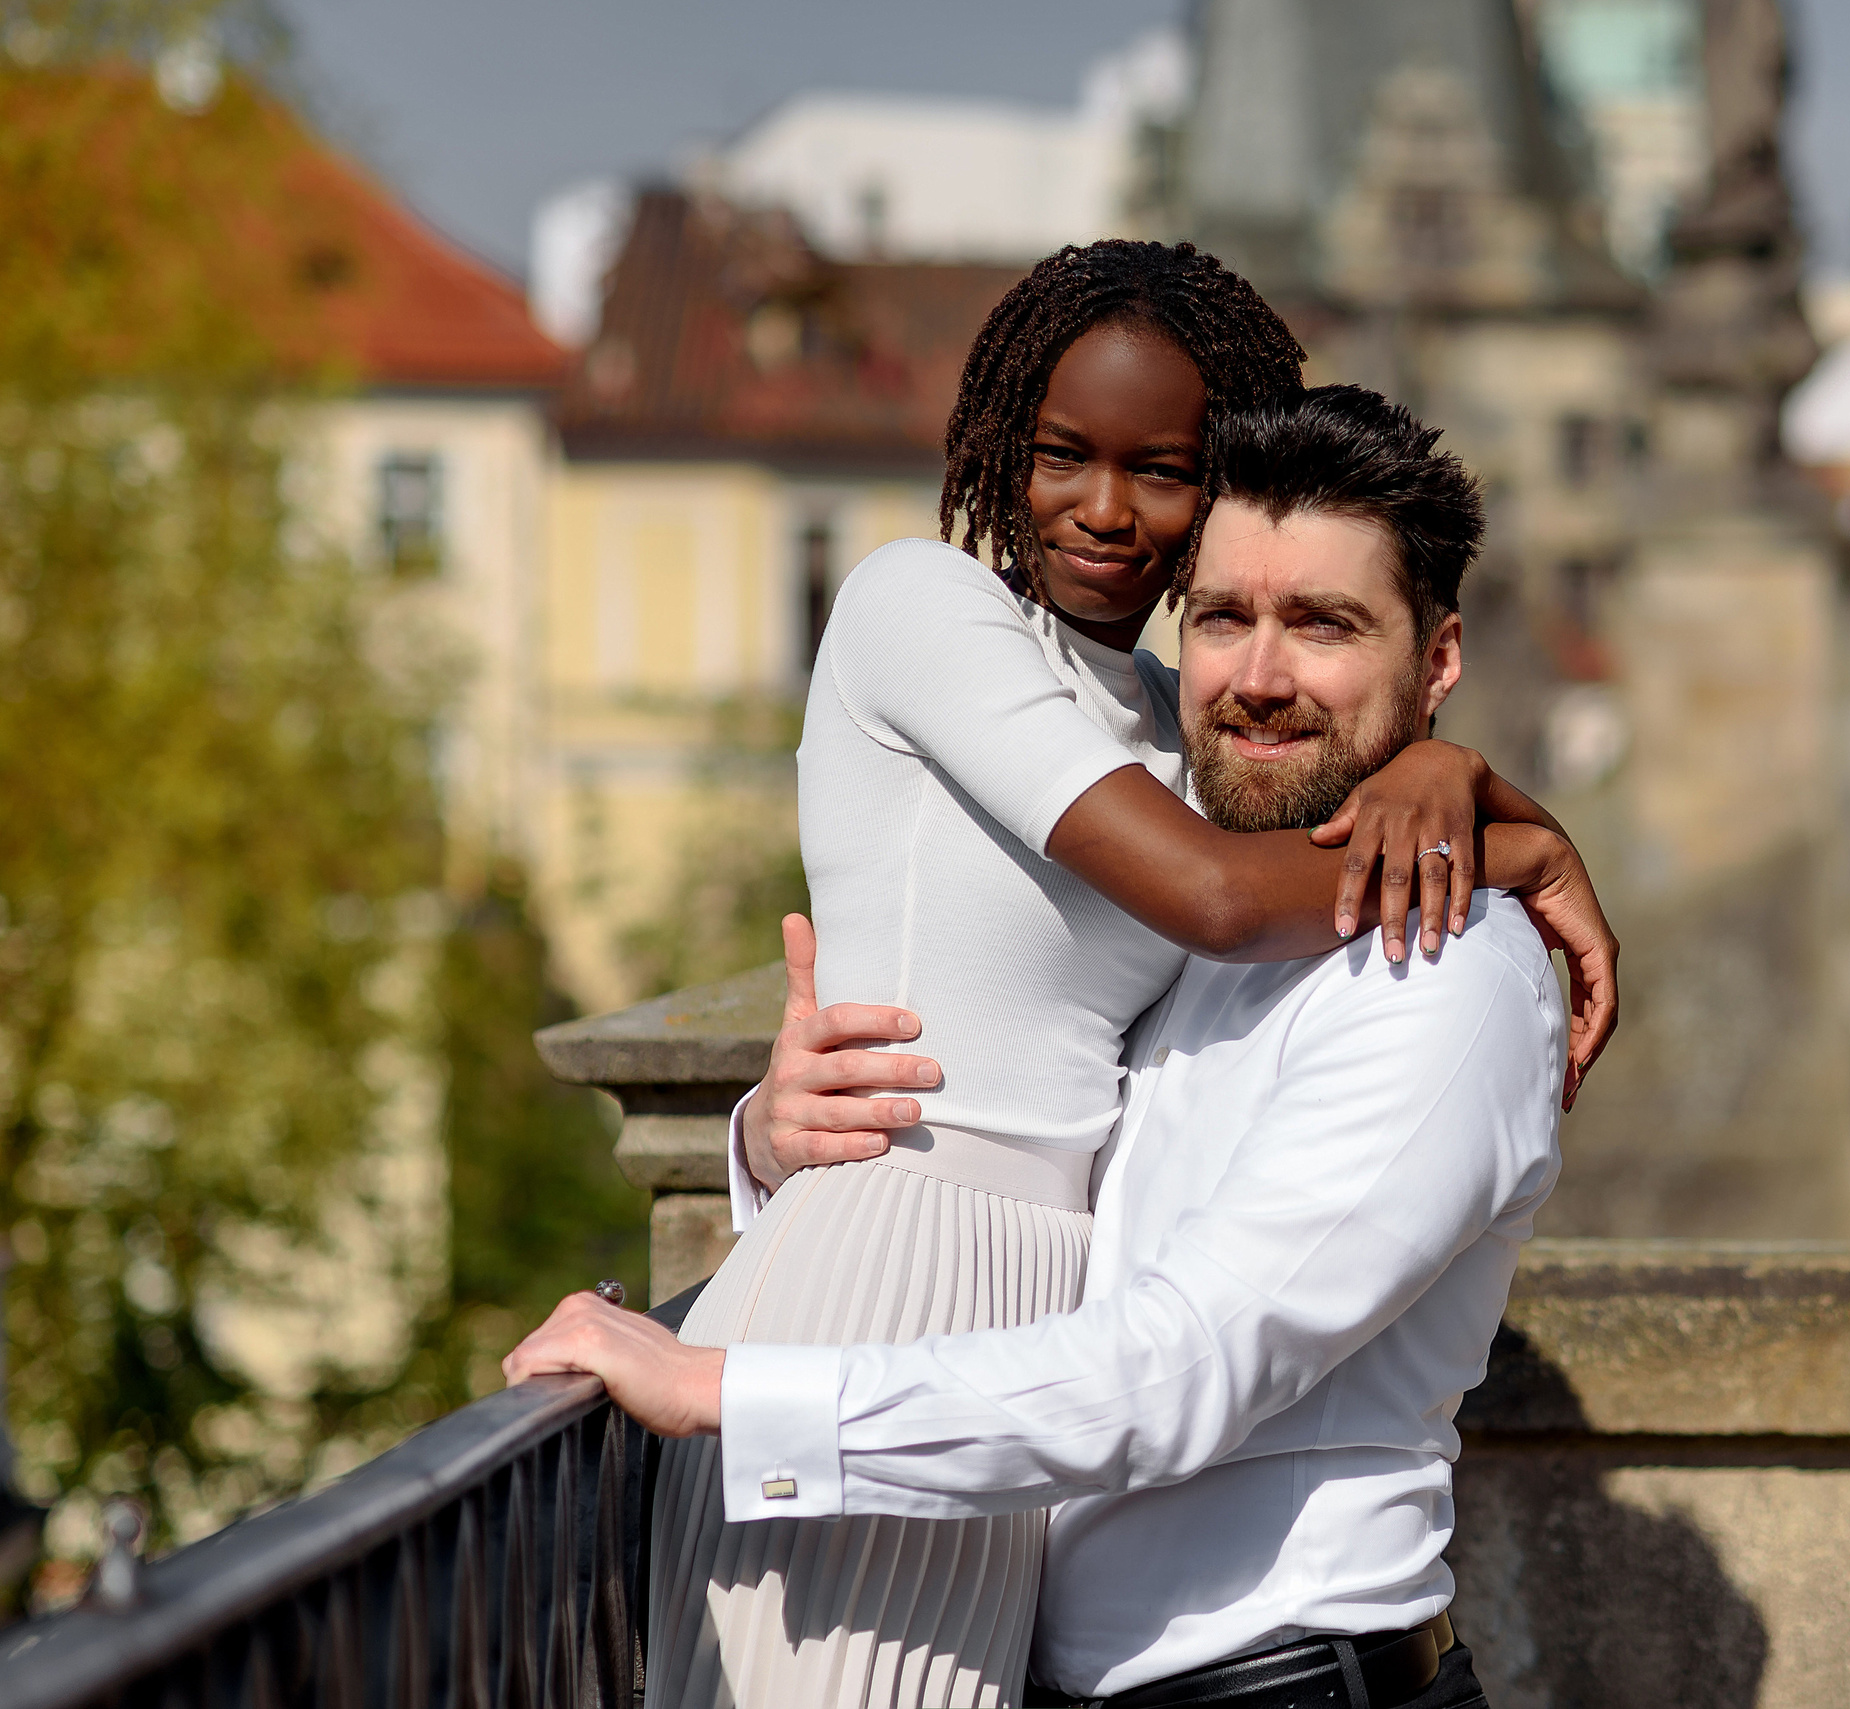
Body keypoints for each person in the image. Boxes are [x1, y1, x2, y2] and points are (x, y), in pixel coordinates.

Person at [522, 242, 1614, 1709]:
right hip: (910, 1389)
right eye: (1226, 616)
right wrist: (771, 1141)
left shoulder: (1435, 960)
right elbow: (1101, 982)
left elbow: (1178, 1363)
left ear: (1439, 658)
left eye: (1325, 623)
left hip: (1207, 1629)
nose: (1259, 671)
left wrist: (1472, 806)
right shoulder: (1108, 747)